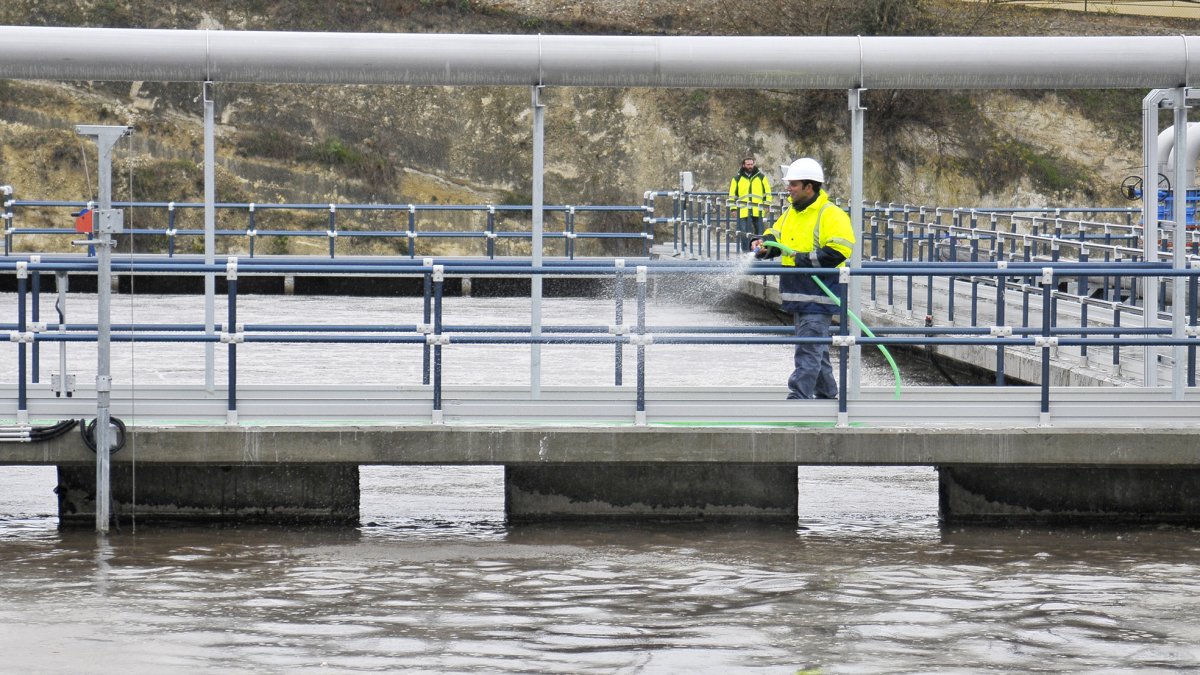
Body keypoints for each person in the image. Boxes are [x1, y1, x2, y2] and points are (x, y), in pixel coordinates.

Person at [752, 157, 855, 400]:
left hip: (819, 296)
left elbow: (839, 251)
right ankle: (829, 396)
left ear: (809, 187)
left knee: (808, 350)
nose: (788, 188)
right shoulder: (791, 212)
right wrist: (762, 244)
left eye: (794, 184)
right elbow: (776, 236)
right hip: (798, 294)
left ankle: (797, 399)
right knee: (816, 350)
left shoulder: (831, 215)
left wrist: (802, 258)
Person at [728, 155, 771, 251]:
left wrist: (767, 204)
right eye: (748, 164)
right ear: (743, 165)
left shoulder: (761, 177)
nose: (750, 166)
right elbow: (732, 195)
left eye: (751, 164)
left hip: (758, 210)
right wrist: (733, 208)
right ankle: (745, 251)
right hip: (743, 210)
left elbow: (767, 192)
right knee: (743, 233)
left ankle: (759, 251)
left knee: (760, 233)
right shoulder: (737, 178)